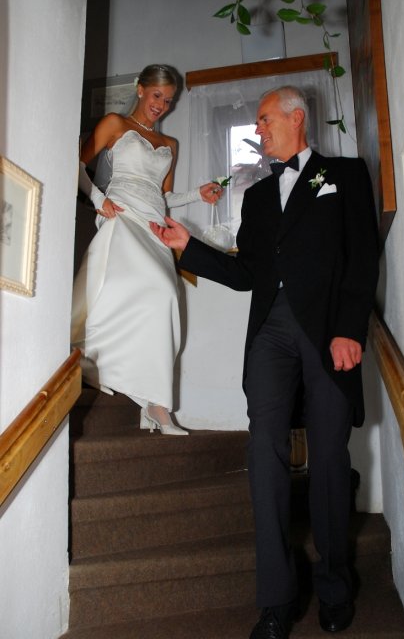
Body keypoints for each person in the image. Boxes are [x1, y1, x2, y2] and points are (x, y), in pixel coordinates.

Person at [150, 86, 379, 637]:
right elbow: (247, 273)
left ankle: (334, 586)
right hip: (270, 335)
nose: (258, 129)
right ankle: (276, 601)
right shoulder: (256, 196)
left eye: (264, 119)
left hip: (327, 332)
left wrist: (350, 329)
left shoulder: (344, 174)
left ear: (297, 118)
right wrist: (189, 247)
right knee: (264, 453)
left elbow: (362, 256)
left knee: (328, 458)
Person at [71, 64, 223, 435]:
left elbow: (164, 196)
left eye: (168, 100)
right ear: (140, 89)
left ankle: (156, 404)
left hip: (155, 227)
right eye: (157, 96)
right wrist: (97, 199)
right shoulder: (114, 124)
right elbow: (75, 163)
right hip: (122, 216)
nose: (161, 105)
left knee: (165, 296)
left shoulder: (171, 145)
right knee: (120, 289)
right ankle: (90, 358)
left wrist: (198, 194)